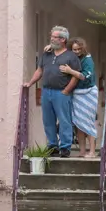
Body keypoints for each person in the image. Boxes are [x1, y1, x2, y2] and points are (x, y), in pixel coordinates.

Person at [24, 26, 81, 158]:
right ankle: (52, 146)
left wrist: (67, 90)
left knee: (64, 120)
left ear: (62, 39)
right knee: (48, 120)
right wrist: (30, 83)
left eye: (54, 37)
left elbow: (76, 76)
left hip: (61, 93)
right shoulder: (47, 54)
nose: (51, 39)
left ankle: (65, 147)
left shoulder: (71, 56)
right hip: (46, 91)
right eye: (52, 36)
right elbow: (40, 71)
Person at [46, 37, 98, 157]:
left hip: (88, 93)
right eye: (74, 49)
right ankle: (82, 151)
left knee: (88, 122)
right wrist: (51, 47)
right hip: (76, 93)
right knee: (79, 123)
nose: (77, 51)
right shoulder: (71, 57)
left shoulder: (87, 59)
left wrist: (70, 71)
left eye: (79, 49)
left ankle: (92, 152)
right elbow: (60, 51)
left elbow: (85, 77)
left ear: (83, 48)